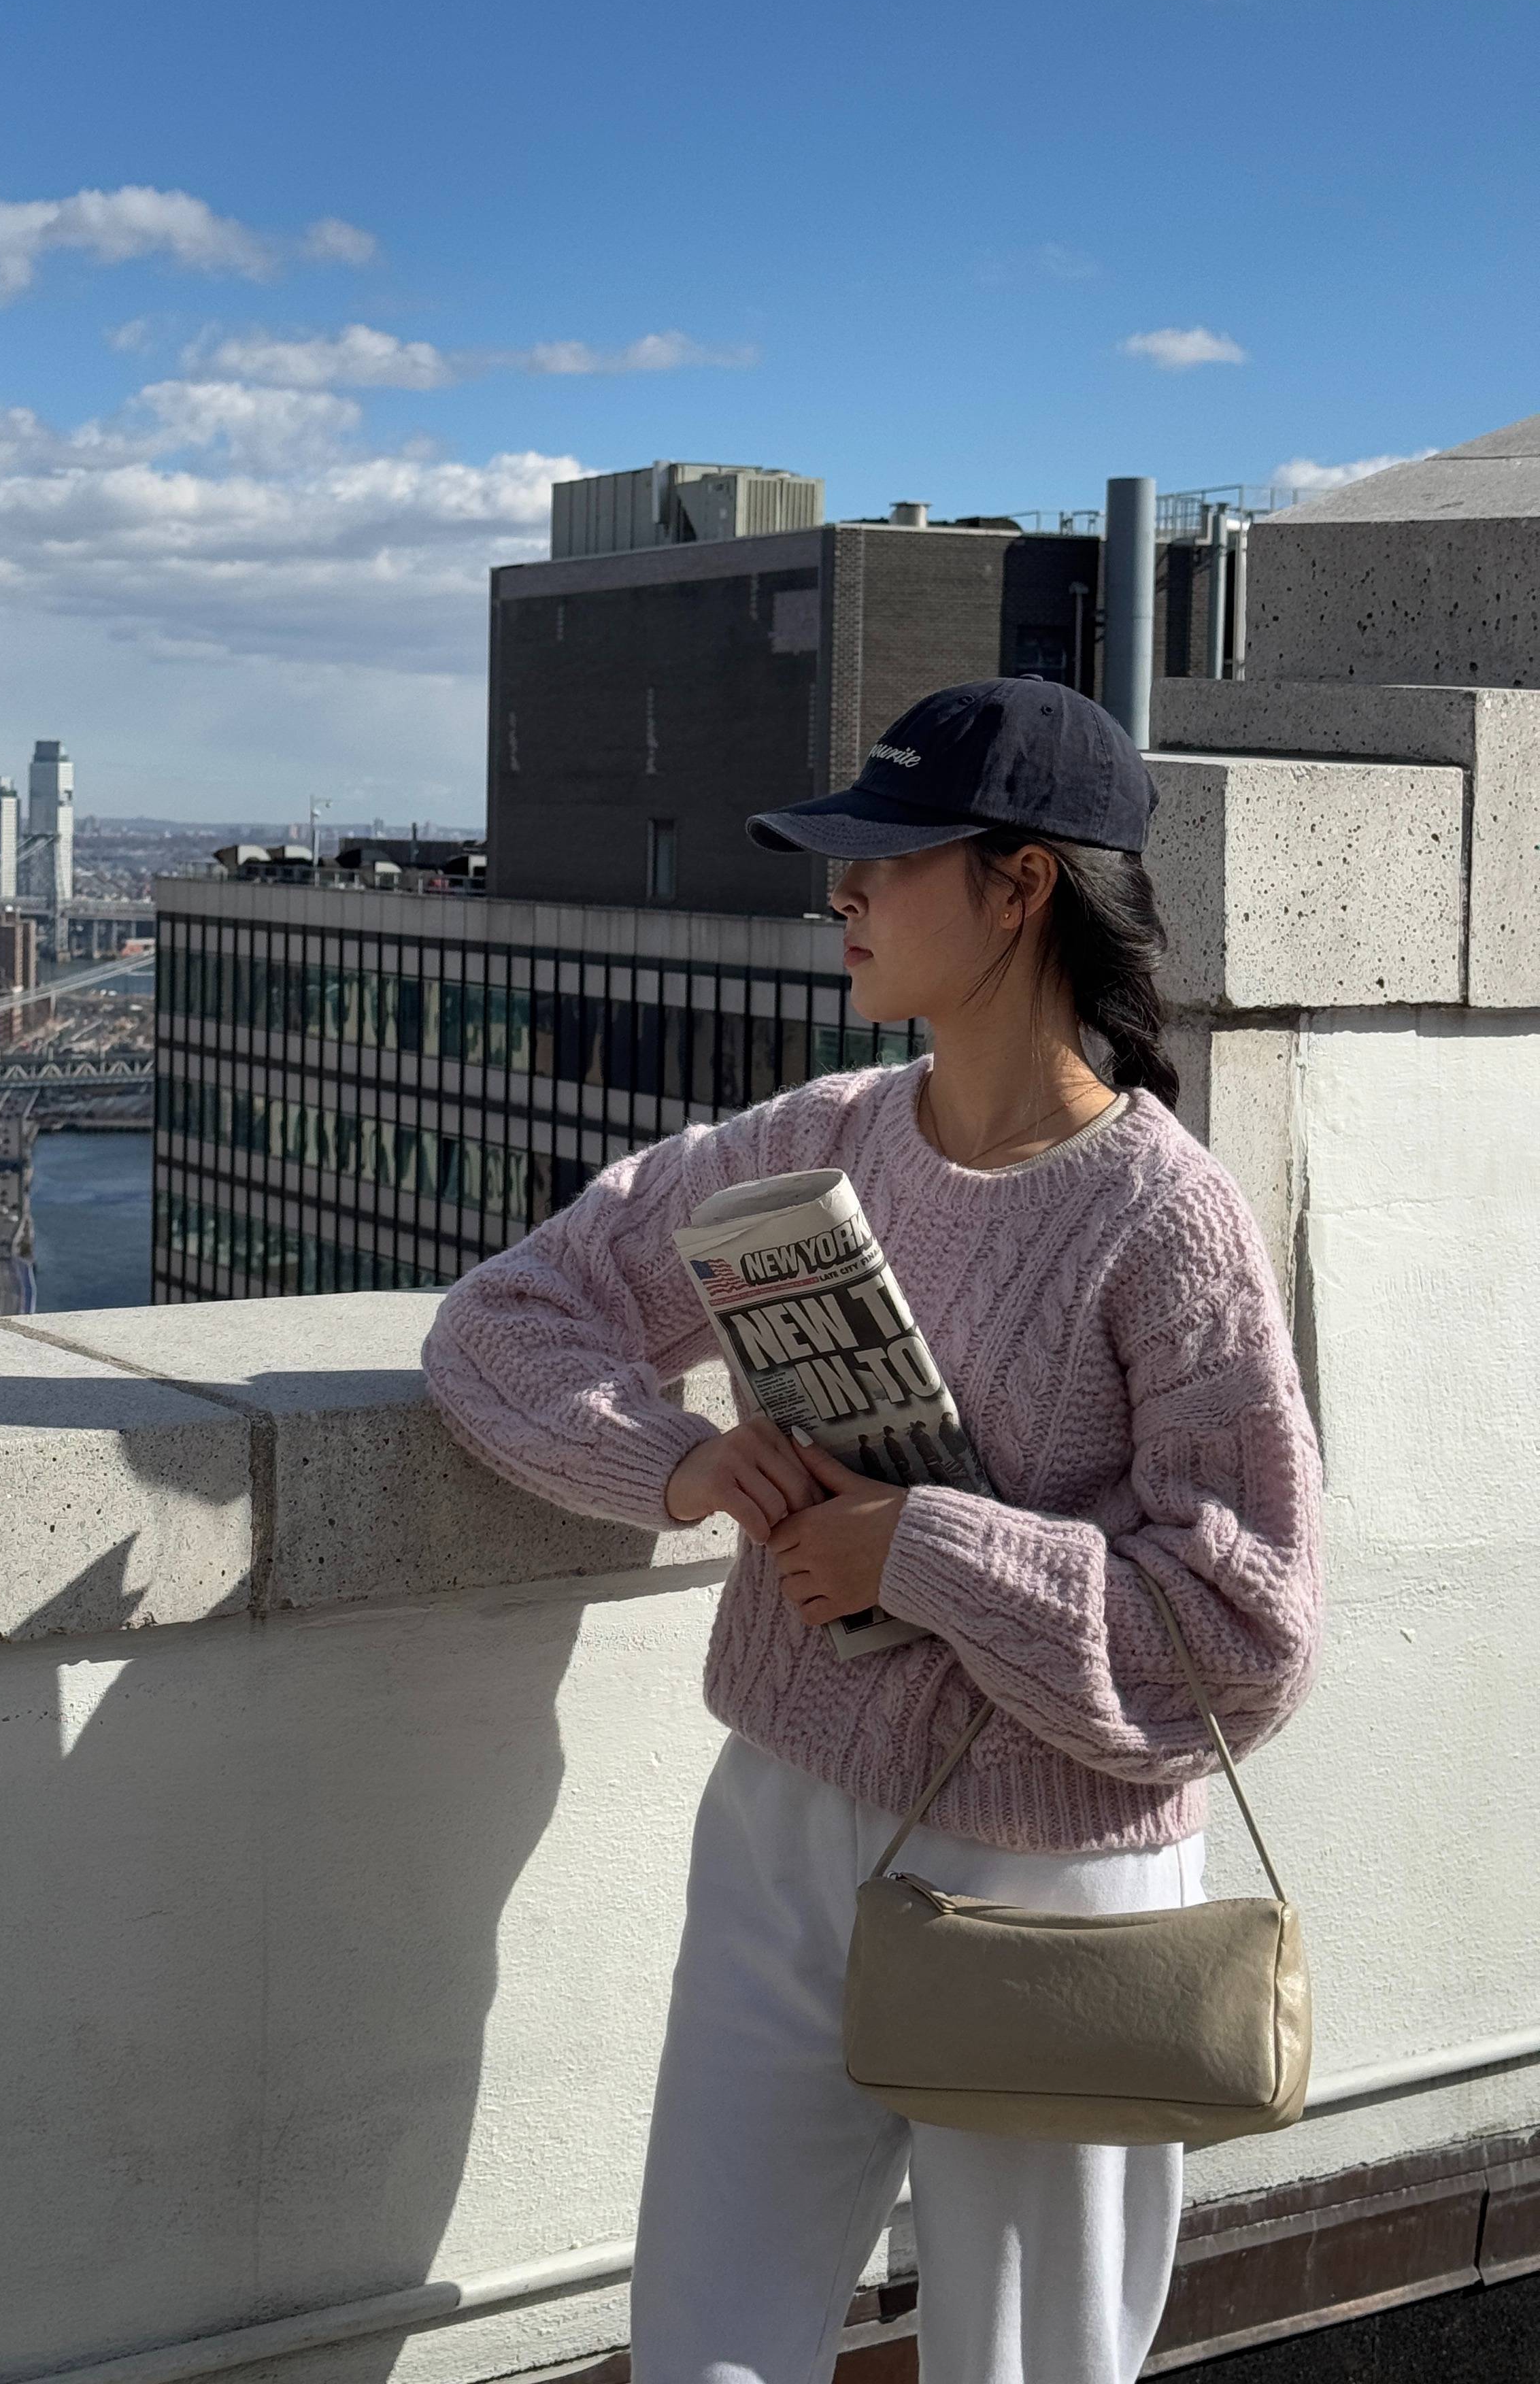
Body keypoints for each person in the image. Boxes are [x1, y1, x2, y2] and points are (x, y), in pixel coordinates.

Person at [422, 677, 1322, 2384]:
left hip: (1058, 1886)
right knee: (702, 2351)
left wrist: (922, 1550)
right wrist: (681, 1465)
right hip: (783, 1824)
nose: (839, 893)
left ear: (1021, 885)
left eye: (886, 859)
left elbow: (1246, 1635)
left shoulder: (1169, 1223)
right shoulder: (819, 1142)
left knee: (1028, 2368)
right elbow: (499, 1325)